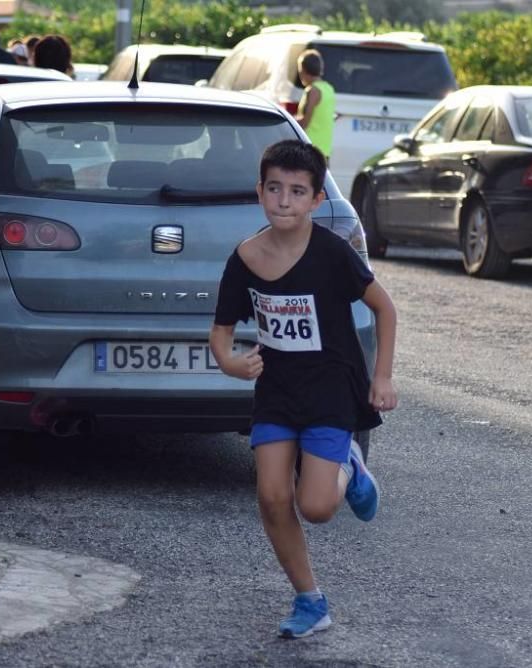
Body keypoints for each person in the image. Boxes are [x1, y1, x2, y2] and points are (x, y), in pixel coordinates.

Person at [210, 140, 397, 639]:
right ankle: (309, 600)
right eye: (275, 189)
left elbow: (385, 307)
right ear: (260, 192)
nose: (284, 201)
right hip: (277, 391)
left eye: (297, 191)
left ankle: (349, 464)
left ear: (316, 199)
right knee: (272, 497)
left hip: (331, 389)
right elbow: (221, 333)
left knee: (316, 507)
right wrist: (231, 363)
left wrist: (382, 377)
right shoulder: (247, 257)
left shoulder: (333, 254)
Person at [295, 50, 336, 163]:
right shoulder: (329, 89)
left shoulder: (312, 91)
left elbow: (305, 122)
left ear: (303, 70)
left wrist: (289, 122)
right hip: (324, 150)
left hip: (310, 149)